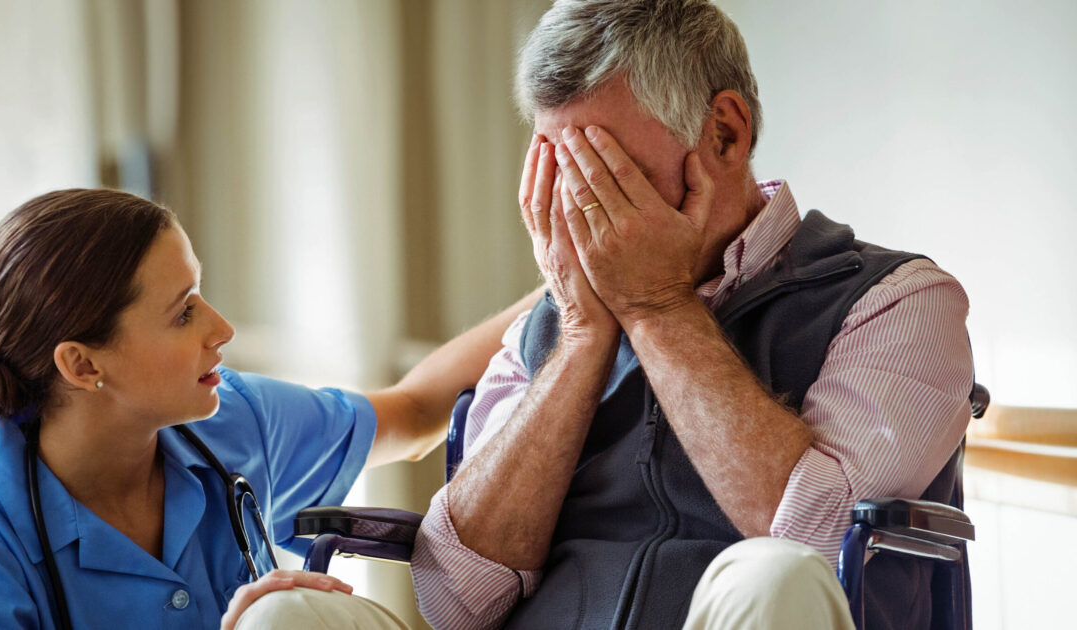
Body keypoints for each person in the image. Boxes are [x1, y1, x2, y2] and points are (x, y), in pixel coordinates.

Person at [410, 1, 974, 629]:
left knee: (774, 572)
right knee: (298, 612)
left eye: (609, 174)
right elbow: (453, 603)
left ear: (725, 134)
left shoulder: (899, 300)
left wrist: (659, 309)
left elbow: (821, 546)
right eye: (562, 173)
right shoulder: (546, 326)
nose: (581, 208)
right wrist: (581, 337)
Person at [0, 188, 542, 630]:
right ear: (82, 365)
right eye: (183, 311)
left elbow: (416, 409)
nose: (221, 329)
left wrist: (573, 284)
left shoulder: (229, 420)